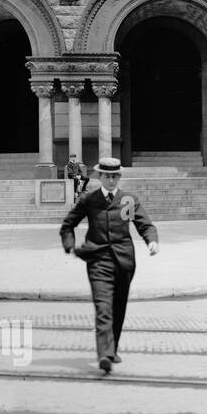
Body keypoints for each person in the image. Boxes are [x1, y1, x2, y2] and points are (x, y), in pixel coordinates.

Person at [58, 157, 159, 375]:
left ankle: (111, 350)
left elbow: (144, 224)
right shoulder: (89, 199)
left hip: (124, 261)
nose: (111, 180)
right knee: (103, 307)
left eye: (115, 176)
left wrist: (152, 241)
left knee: (118, 306)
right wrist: (69, 245)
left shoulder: (128, 200)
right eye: (107, 176)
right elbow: (68, 225)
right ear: (99, 177)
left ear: (119, 177)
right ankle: (104, 354)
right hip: (97, 259)